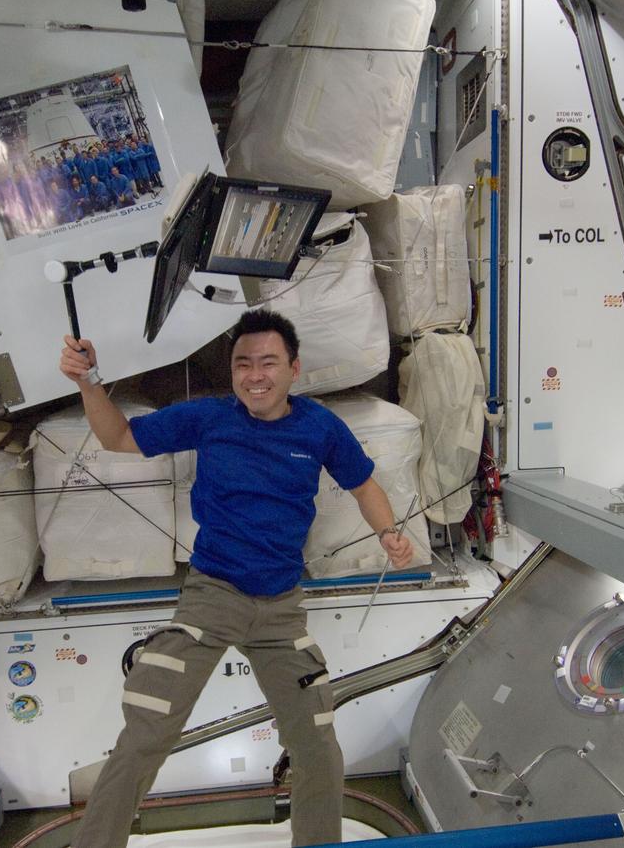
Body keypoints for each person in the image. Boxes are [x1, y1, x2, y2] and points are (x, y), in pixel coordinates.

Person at [59, 310, 414, 848]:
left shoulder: (319, 427)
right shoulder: (210, 418)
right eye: (243, 364)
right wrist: (88, 382)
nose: (255, 375)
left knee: (318, 747)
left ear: (294, 369)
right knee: (147, 728)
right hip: (211, 598)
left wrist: (389, 531)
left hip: (281, 610)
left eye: (268, 362)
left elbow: (364, 485)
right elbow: (119, 437)